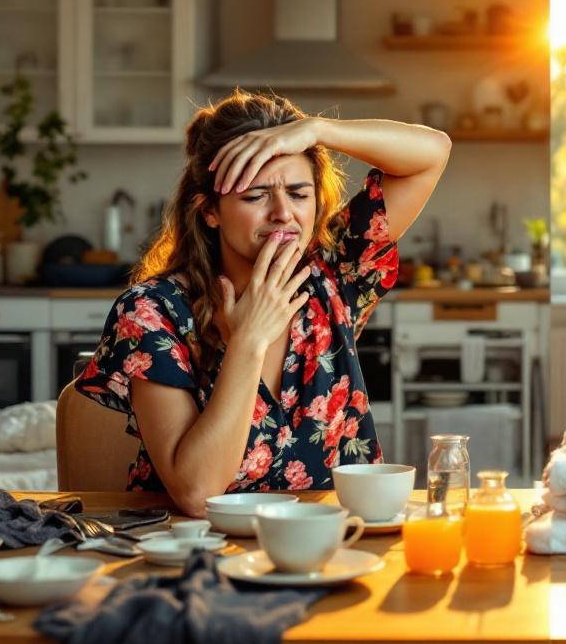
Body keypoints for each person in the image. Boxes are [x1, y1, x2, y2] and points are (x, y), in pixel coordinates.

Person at [74, 90, 450, 515]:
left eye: (299, 193)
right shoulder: (151, 312)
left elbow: (433, 152)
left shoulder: (334, 273)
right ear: (210, 210)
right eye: (255, 196)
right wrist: (248, 341)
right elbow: (196, 493)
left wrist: (316, 130)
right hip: (197, 545)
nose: (283, 213)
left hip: (328, 540)